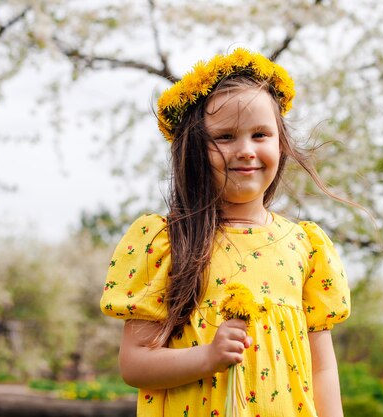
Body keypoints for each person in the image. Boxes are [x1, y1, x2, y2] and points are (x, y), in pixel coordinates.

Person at [100, 48, 350, 417]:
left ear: (280, 143)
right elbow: (135, 364)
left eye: (260, 134)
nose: (246, 150)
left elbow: (323, 368)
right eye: (226, 136)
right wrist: (207, 357)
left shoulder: (305, 246)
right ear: (194, 149)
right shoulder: (168, 241)